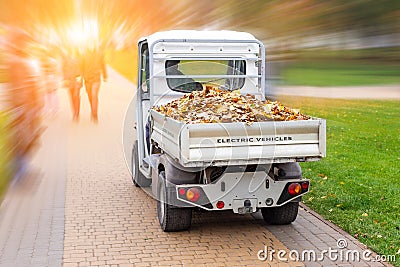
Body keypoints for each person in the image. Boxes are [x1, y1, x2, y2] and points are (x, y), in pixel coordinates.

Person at [5, 29, 43, 180]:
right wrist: (23, 108)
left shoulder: (22, 58)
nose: (27, 45)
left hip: (27, 106)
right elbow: (19, 86)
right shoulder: (16, 61)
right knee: (21, 140)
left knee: (26, 139)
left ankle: (23, 171)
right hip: (22, 106)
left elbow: (30, 82)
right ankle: (19, 174)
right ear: (18, 43)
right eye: (25, 42)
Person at [81, 48, 107, 123]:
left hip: (96, 78)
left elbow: (103, 64)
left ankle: (95, 115)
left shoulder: (99, 53)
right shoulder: (84, 54)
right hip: (87, 78)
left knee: (94, 94)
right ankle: (93, 110)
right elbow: (81, 67)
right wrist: (81, 76)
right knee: (90, 96)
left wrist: (105, 75)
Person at [62, 50, 82, 121]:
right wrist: (64, 79)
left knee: (76, 96)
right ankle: (74, 112)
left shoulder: (80, 58)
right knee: (71, 97)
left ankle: (77, 113)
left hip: (77, 80)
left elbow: (81, 70)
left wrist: (79, 80)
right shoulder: (66, 58)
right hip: (69, 81)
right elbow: (63, 69)